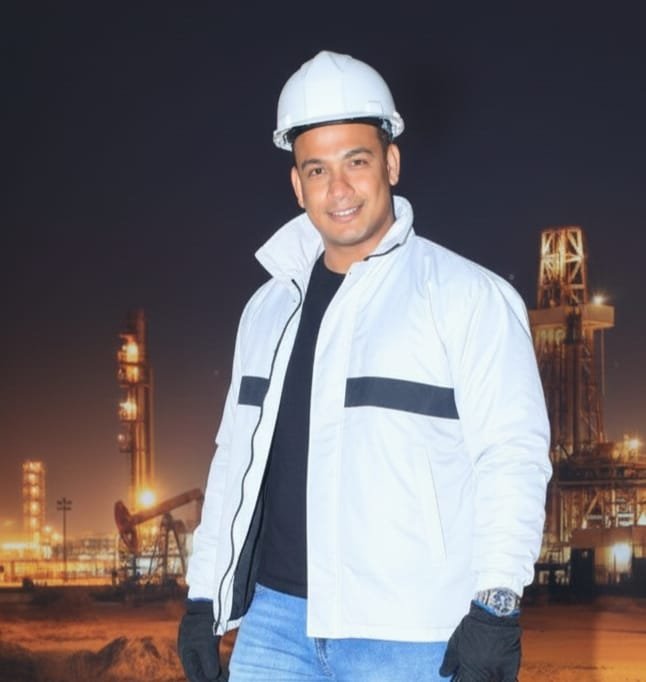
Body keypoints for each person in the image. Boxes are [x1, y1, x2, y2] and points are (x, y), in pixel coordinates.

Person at [178, 50, 551, 682]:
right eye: (317, 169)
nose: (339, 189)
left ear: (391, 164)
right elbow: (232, 459)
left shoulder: (467, 298)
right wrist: (202, 596)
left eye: (356, 161)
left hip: (409, 634)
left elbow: (512, 457)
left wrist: (496, 605)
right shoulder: (268, 309)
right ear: (297, 184)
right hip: (274, 626)